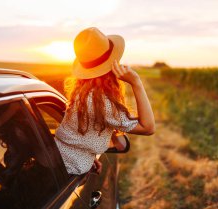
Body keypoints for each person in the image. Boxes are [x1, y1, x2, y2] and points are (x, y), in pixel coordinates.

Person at [54, 27, 155, 176]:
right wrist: (136, 83)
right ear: (112, 65)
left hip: (58, 161)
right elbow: (148, 128)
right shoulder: (101, 102)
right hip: (68, 172)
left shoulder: (82, 94)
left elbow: (73, 135)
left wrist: (86, 156)